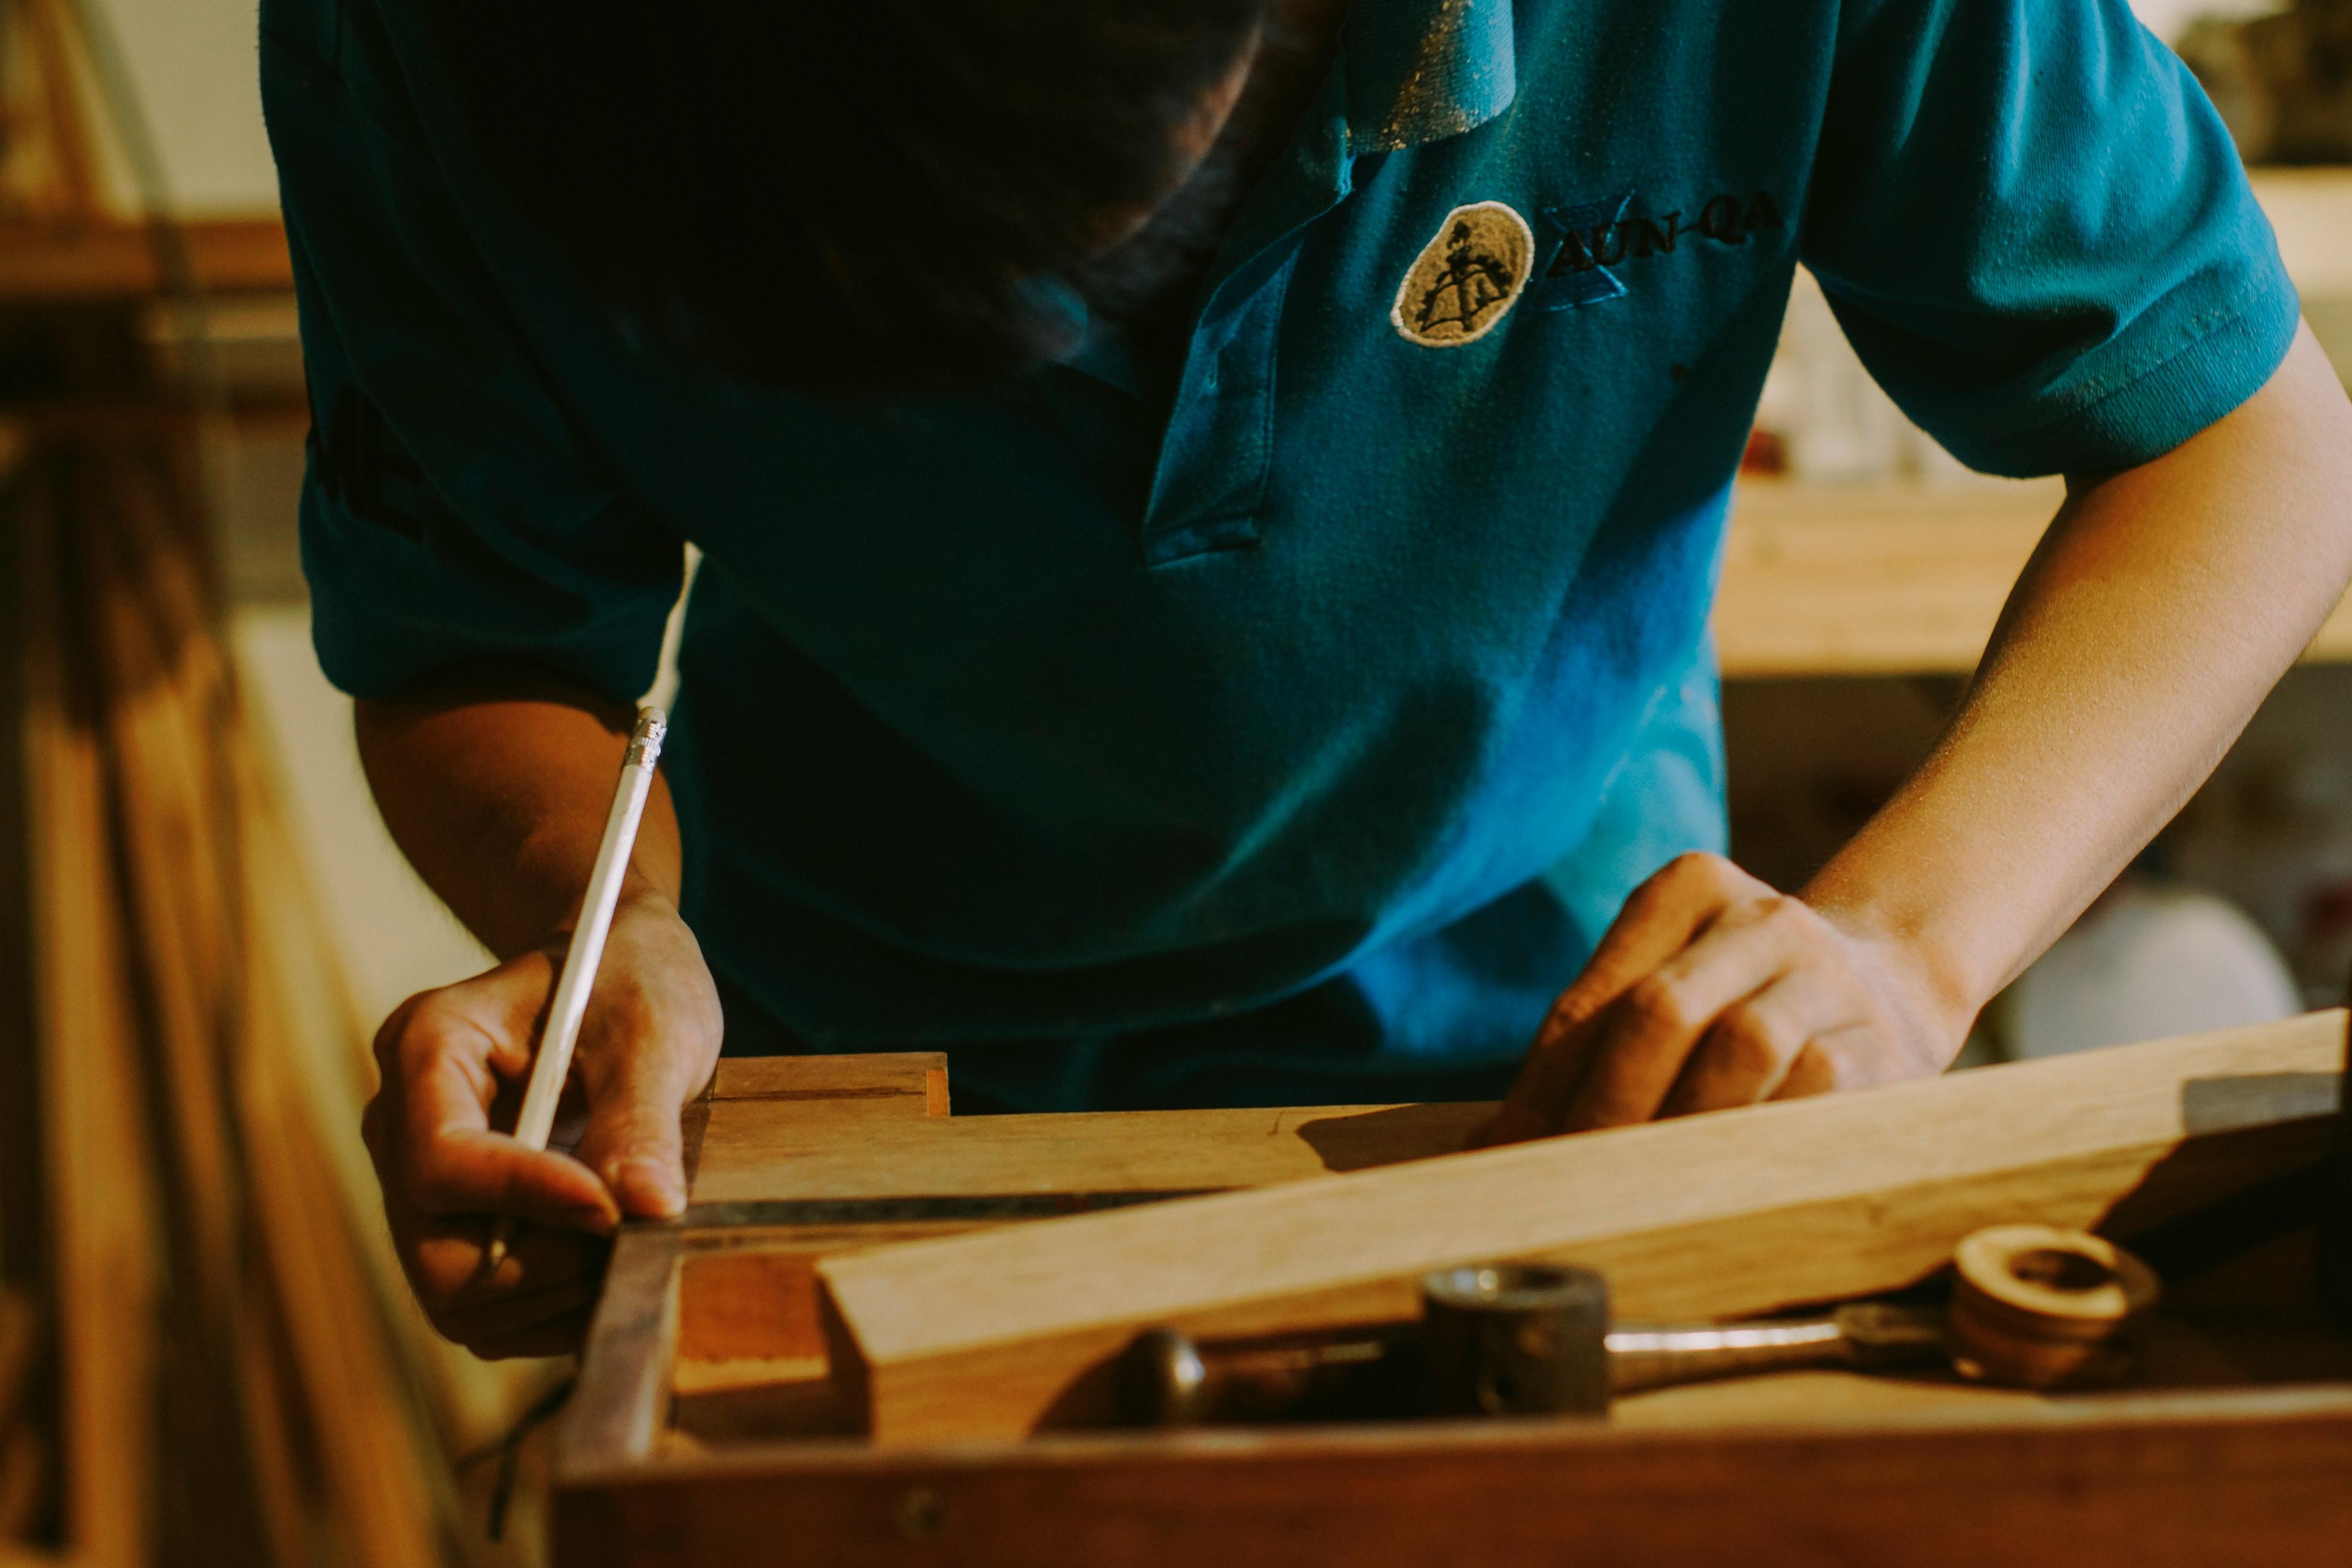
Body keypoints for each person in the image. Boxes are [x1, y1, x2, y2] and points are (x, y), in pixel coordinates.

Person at [262, 0, 2352, 1355]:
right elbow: (480, 634)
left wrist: (1904, 949)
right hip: (818, 1112)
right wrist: (590, 923)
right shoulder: (452, 47)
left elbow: (2247, 441)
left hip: (1569, 1085)